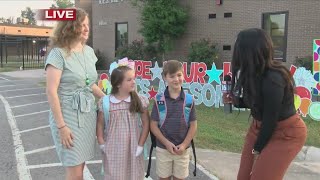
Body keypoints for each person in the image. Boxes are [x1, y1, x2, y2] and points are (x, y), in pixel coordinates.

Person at [224, 28, 307, 180]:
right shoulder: (253, 73)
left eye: (238, 47)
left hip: (285, 133)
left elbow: (271, 118)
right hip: (259, 128)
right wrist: (236, 101)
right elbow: (257, 103)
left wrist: (258, 149)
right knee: (243, 177)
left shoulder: (273, 78)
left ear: (248, 51)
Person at [45, 8, 105, 180]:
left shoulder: (89, 52)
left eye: (87, 25)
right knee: (75, 170)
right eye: (81, 25)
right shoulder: (58, 54)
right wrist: (61, 127)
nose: (87, 29)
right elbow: (51, 91)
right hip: (68, 117)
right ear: (70, 27)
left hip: (87, 115)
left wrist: (107, 99)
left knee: (81, 164)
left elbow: (89, 83)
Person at [96, 65, 150, 180]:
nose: (133, 82)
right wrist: (101, 143)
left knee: (134, 176)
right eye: (129, 79)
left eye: (134, 79)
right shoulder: (106, 103)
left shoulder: (140, 101)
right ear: (118, 84)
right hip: (113, 150)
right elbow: (100, 124)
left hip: (134, 148)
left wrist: (140, 144)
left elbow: (146, 124)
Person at [150, 60, 197, 180]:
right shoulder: (159, 99)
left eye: (179, 75)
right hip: (163, 149)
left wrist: (184, 144)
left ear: (184, 76)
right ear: (165, 78)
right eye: (172, 76)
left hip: (182, 150)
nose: (176, 79)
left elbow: (193, 125)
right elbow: (153, 125)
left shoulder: (189, 100)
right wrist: (166, 143)